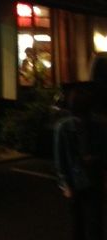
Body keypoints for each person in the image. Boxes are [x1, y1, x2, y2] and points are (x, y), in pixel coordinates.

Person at [54, 82, 107, 240]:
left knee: (95, 222)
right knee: (78, 223)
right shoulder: (63, 128)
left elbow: (103, 150)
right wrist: (65, 184)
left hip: (93, 177)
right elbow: (60, 159)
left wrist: (95, 160)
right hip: (76, 180)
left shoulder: (98, 125)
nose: (81, 119)